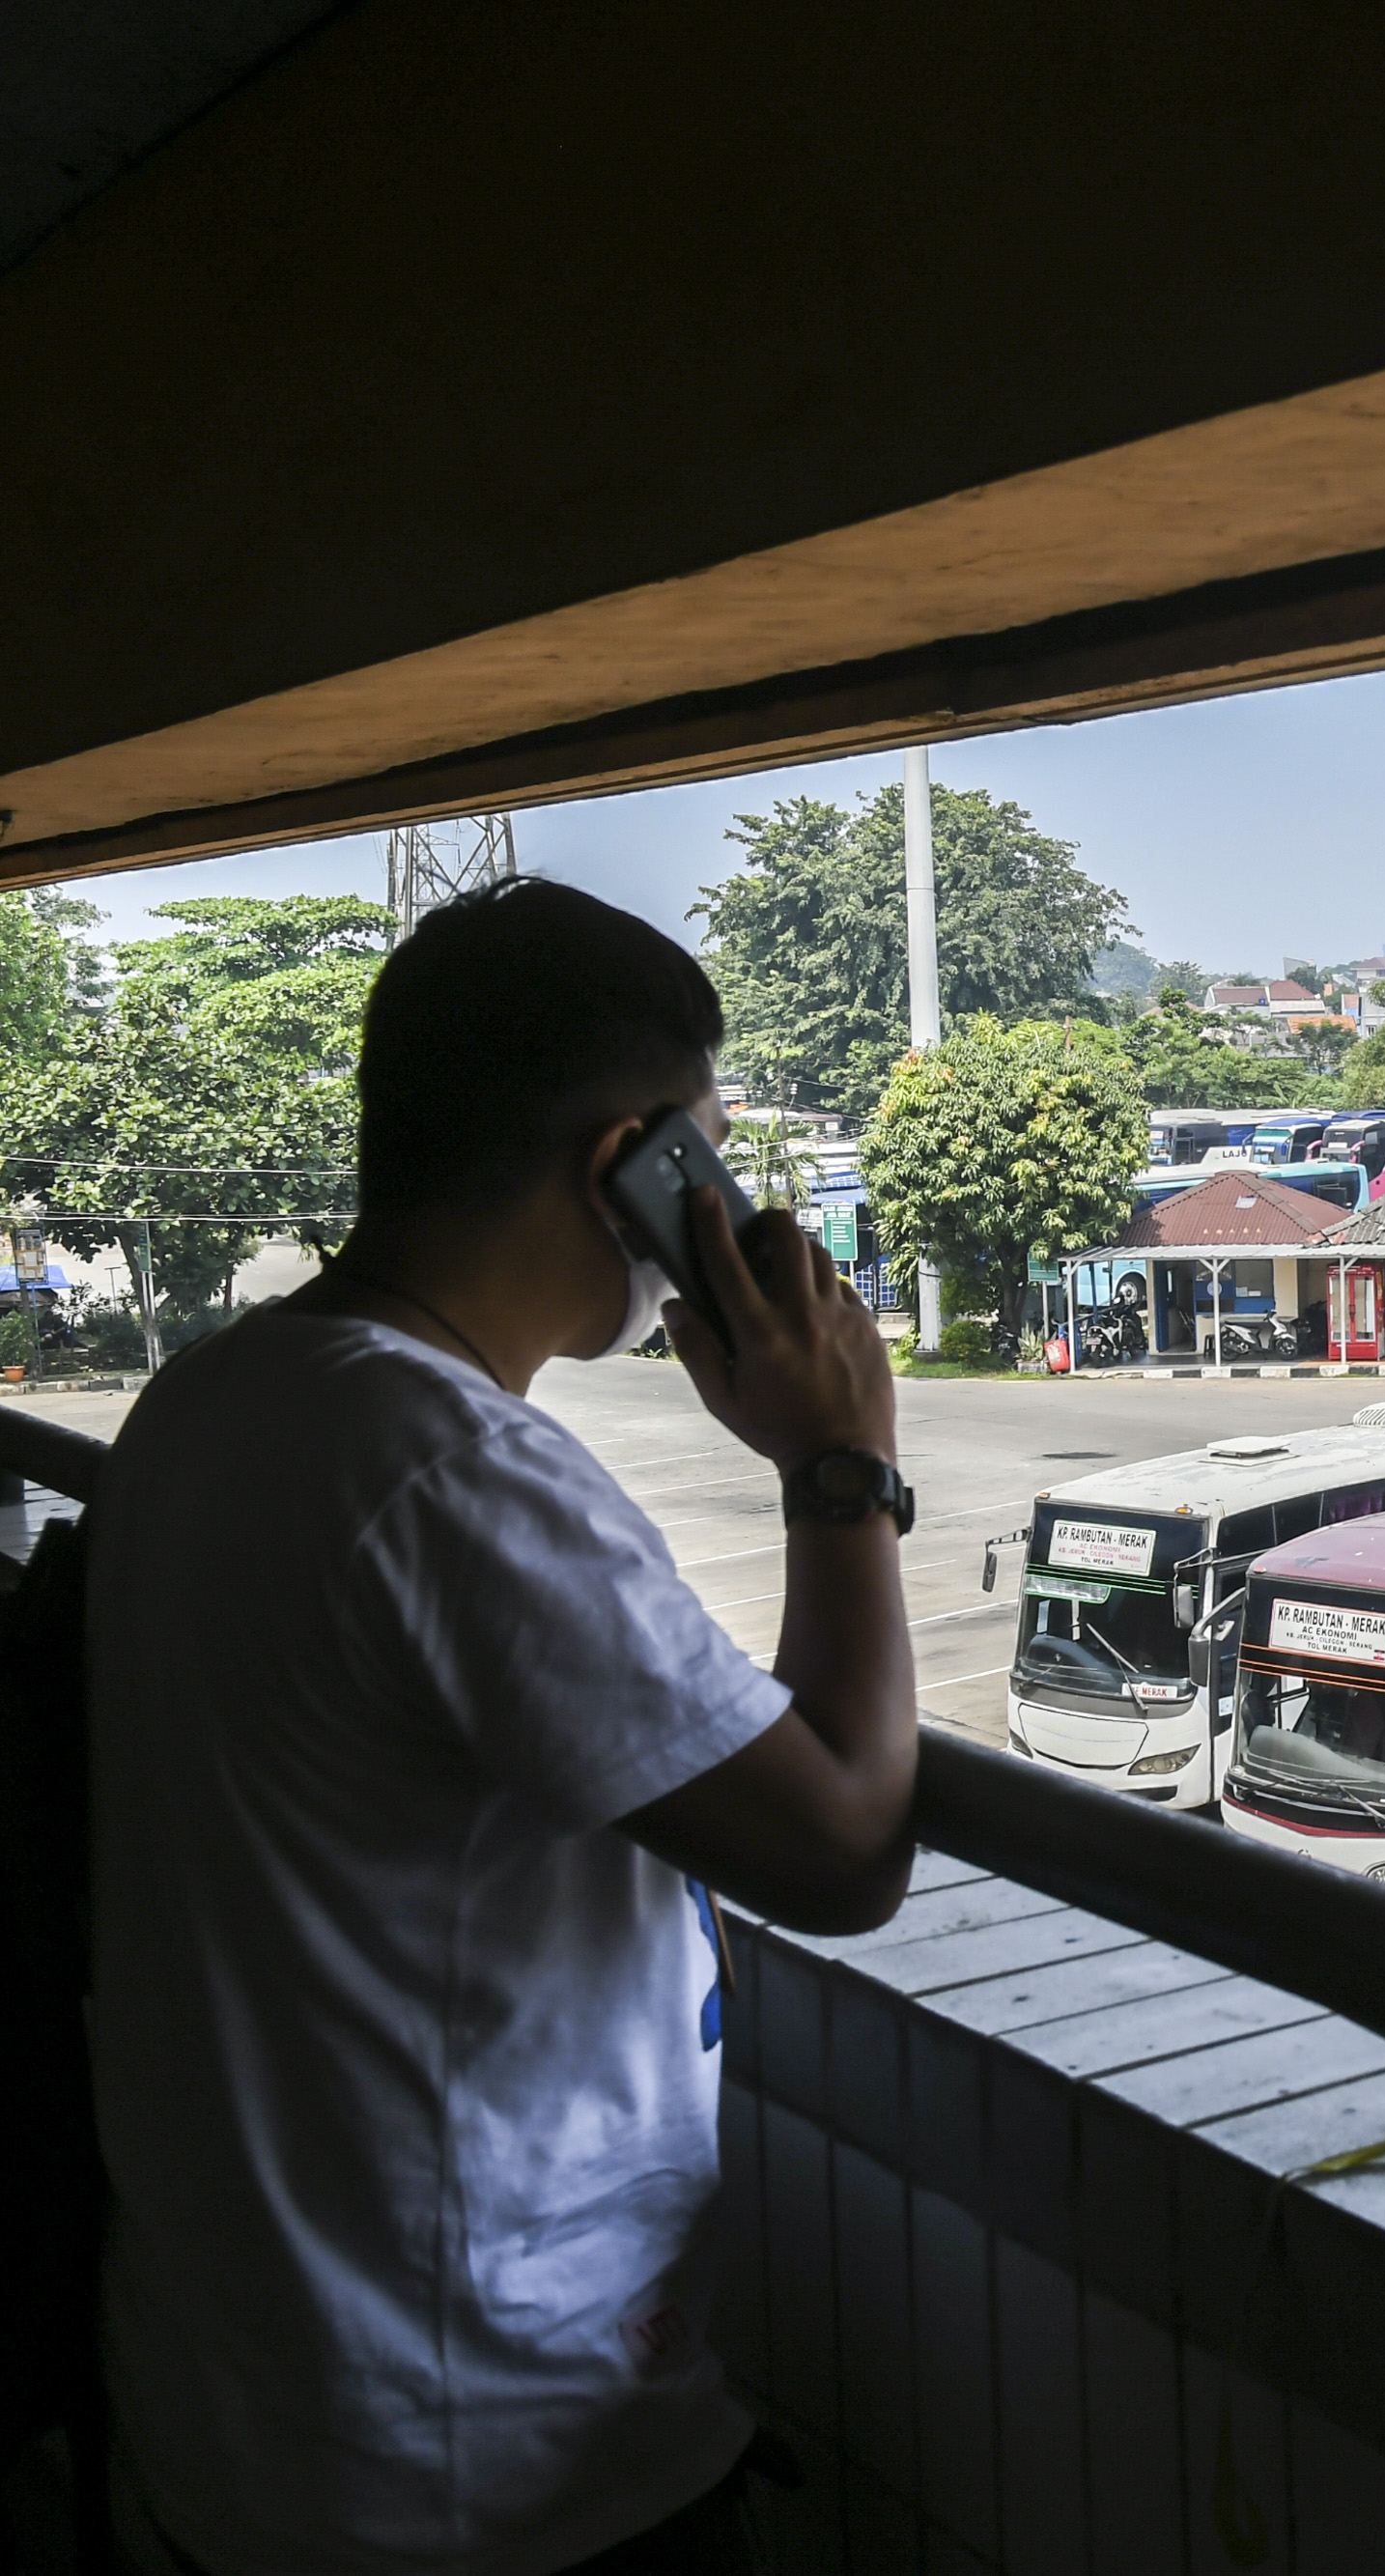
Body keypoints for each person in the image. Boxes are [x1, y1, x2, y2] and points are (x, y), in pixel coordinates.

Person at [86, 883, 919, 2576]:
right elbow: (845, 1849)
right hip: (480, 2461)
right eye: (707, 1151)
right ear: (629, 1166)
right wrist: (838, 1463)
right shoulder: (454, 1472)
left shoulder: (219, 1392)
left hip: (242, 2405)